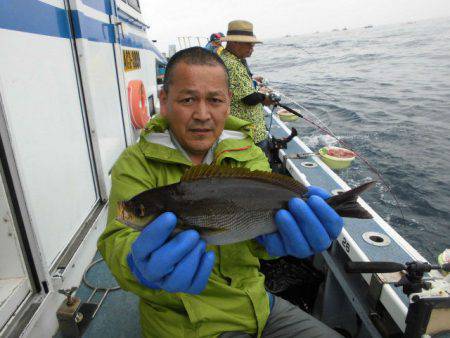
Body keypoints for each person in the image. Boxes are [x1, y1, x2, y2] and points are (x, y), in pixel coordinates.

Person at [98, 47, 343, 338]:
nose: (202, 114)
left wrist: (278, 240)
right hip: (184, 324)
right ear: (164, 102)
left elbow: (253, 238)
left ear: (228, 105)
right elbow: (118, 237)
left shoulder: (248, 152)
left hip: (257, 304)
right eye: (187, 99)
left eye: (214, 100)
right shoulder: (134, 162)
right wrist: (136, 264)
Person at [220, 20, 276, 156]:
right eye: (249, 45)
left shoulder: (231, 59)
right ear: (235, 43)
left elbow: (238, 85)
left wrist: (253, 83)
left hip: (242, 130)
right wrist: (266, 97)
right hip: (250, 133)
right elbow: (249, 98)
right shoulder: (232, 64)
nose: (252, 48)